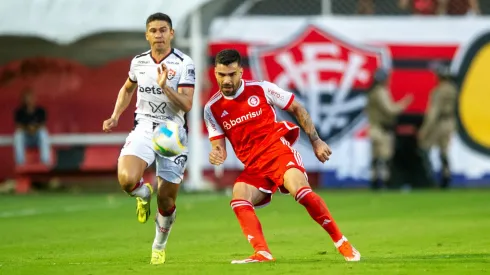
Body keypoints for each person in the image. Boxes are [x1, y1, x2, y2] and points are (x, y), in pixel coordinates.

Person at [203, 49, 360, 264]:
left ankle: (341, 241)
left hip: (277, 151)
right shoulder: (212, 108)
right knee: (239, 197)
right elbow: (218, 146)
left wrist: (316, 141)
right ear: (215, 73)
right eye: (222, 75)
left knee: (301, 192)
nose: (227, 80)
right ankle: (262, 253)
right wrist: (216, 154)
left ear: (240, 71)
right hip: (253, 166)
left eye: (232, 74)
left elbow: (297, 108)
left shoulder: (262, 89)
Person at [102, 12, 195, 265]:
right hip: (144, 126)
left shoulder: (184, 63)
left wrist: (165, 87)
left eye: (163, 30)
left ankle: (159, 245)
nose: (158, 35)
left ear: (171, 33)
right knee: (126, 179)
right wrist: (115, 116)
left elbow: (187, 104)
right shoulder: (139, 62)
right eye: (153, 31)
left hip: (171, 133)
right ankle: (143, 195)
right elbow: (128, 88)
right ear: (147, 35)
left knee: (166, 201)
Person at [365, 69, 413, 190]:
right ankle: (383, 184)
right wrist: (404, 104)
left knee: (376, 158)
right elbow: (390, 110)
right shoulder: (380, 92)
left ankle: (376, 183)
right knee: (384, 159)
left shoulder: (372, 92)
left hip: (376, 128)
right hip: (381, 129)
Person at [418, 64, 457, 188]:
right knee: (444, 151)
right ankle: (446, 176)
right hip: (450, 121)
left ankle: (429, 179)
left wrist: (424, 129)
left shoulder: (439, 91)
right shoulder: (453, 89)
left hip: (440, 123)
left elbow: (433, 112)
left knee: (425, 147)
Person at [14, 88, 51, 165]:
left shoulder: (41, 111)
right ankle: (20, 162)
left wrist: (34, 128)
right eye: (26, 98)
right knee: (18, 135)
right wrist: (29, 129)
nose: (28, 100)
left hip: (37, 138)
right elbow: (18, 126)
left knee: (43, 133)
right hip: (26, 138)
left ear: (34, 98)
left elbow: (43, 125)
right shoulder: (19, 112)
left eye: (30, 97)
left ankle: (45, 161)